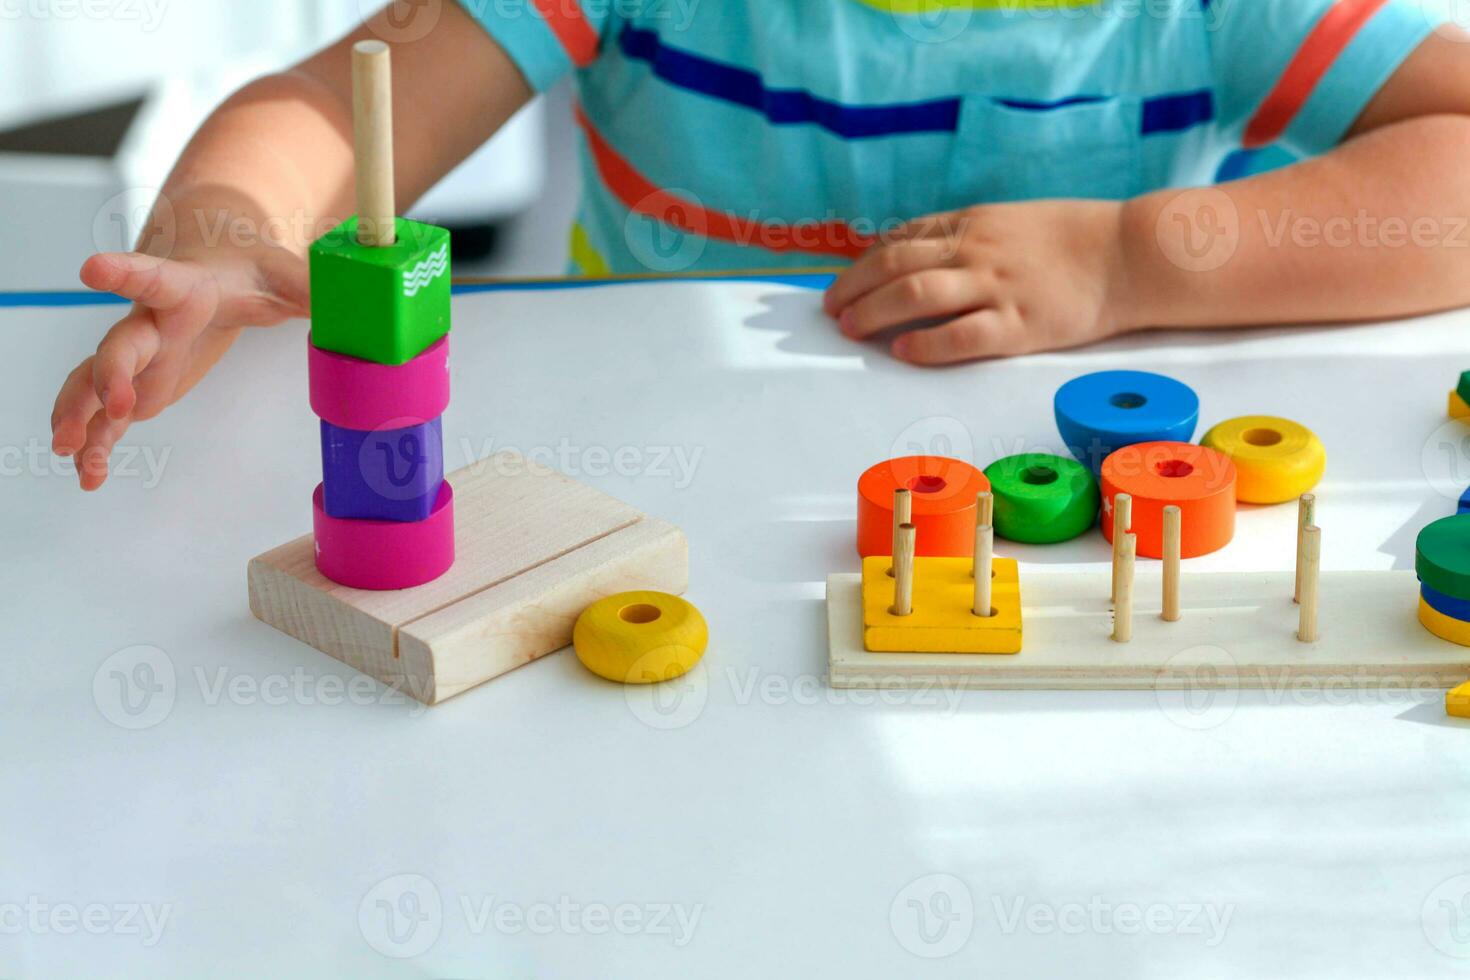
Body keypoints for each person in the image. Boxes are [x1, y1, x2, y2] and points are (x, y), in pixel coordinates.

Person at [50, 0, 1470, 489]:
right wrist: (231, 237)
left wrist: (1130, 263)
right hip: (653, 475)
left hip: (1041, 497)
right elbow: (327, 102)